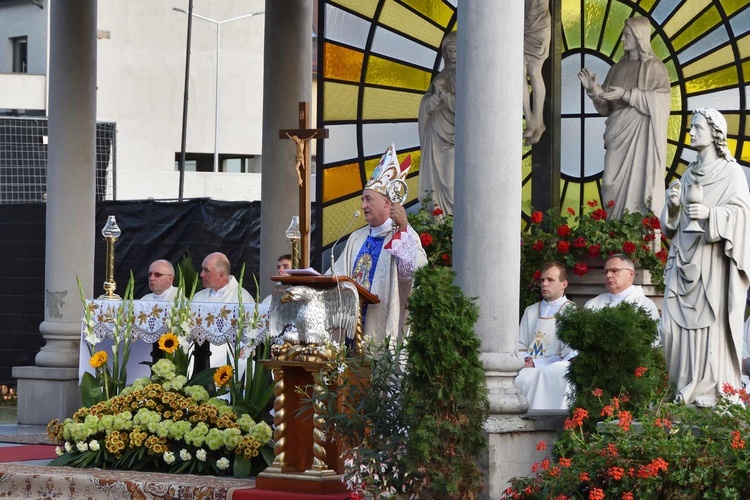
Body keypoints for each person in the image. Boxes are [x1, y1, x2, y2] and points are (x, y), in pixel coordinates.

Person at [660, 108, 750, 407]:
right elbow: (673, 225)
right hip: (684, 258)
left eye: (697, 127)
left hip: (712, 262)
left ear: (715, 133)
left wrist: (712, 214)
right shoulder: (687, 173)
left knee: (712, 328)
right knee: (670, 328)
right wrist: (673, 207)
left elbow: (741, 216)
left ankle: (710, 389)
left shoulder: (731, 172)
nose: (691, 132)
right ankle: (684, 383)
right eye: (691, 128)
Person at [332, 144, 427, 344]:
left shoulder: (405, 235)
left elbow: (411, 275)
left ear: (387, 202)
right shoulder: (355, 239)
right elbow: (335, 277)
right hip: (351, 331)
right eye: (362, 199)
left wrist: (402, 228)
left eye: (368, 199)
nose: (362, 205)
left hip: (383, 330)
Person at [578, 16, 670, 219]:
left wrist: (627, 95)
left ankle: (635, 241)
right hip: (617, 135)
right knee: (609, 183)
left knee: (638, 186)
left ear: (639, 37)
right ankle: (614, 235)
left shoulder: (654, 68)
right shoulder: (616, 68)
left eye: (627, 35)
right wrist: (594, 90)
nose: (622, 39)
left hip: (640, 141)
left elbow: (662, 101)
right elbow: (606, 108)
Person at [515, 262, 577, 410]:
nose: (544, 284)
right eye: (542, 280)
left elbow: (569, 354)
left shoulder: (571, 311)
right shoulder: (530, 311)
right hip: (526, 368)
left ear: (564, 284)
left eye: (550, 280)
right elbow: (520, 344)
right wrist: (525, 360)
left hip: (551, 369)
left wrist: (537, 363)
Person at [418, 31, 456, 215]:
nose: (453, 56)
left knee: (452, 180)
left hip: (455, 137)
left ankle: (453, 217)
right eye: (449, 52)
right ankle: (440, 220)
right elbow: (427, 103)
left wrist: (444, 94)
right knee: (437, 180)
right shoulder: (441, 76)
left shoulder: (469, 76)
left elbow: (467, 107)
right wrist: (433, 100)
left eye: (456, 51)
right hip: (436, 132)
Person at [585, 253, 659, 321]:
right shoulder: (593, 304)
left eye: (614, 270)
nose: (608, 275)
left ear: (630, 275)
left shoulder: (645, 306)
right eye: (606, 272)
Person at [523, 0, 552, 145]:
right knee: (519, 71)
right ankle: (529, 119)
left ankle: (539, 121)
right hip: (521, 24)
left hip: (539, 24)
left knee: (534, 71)